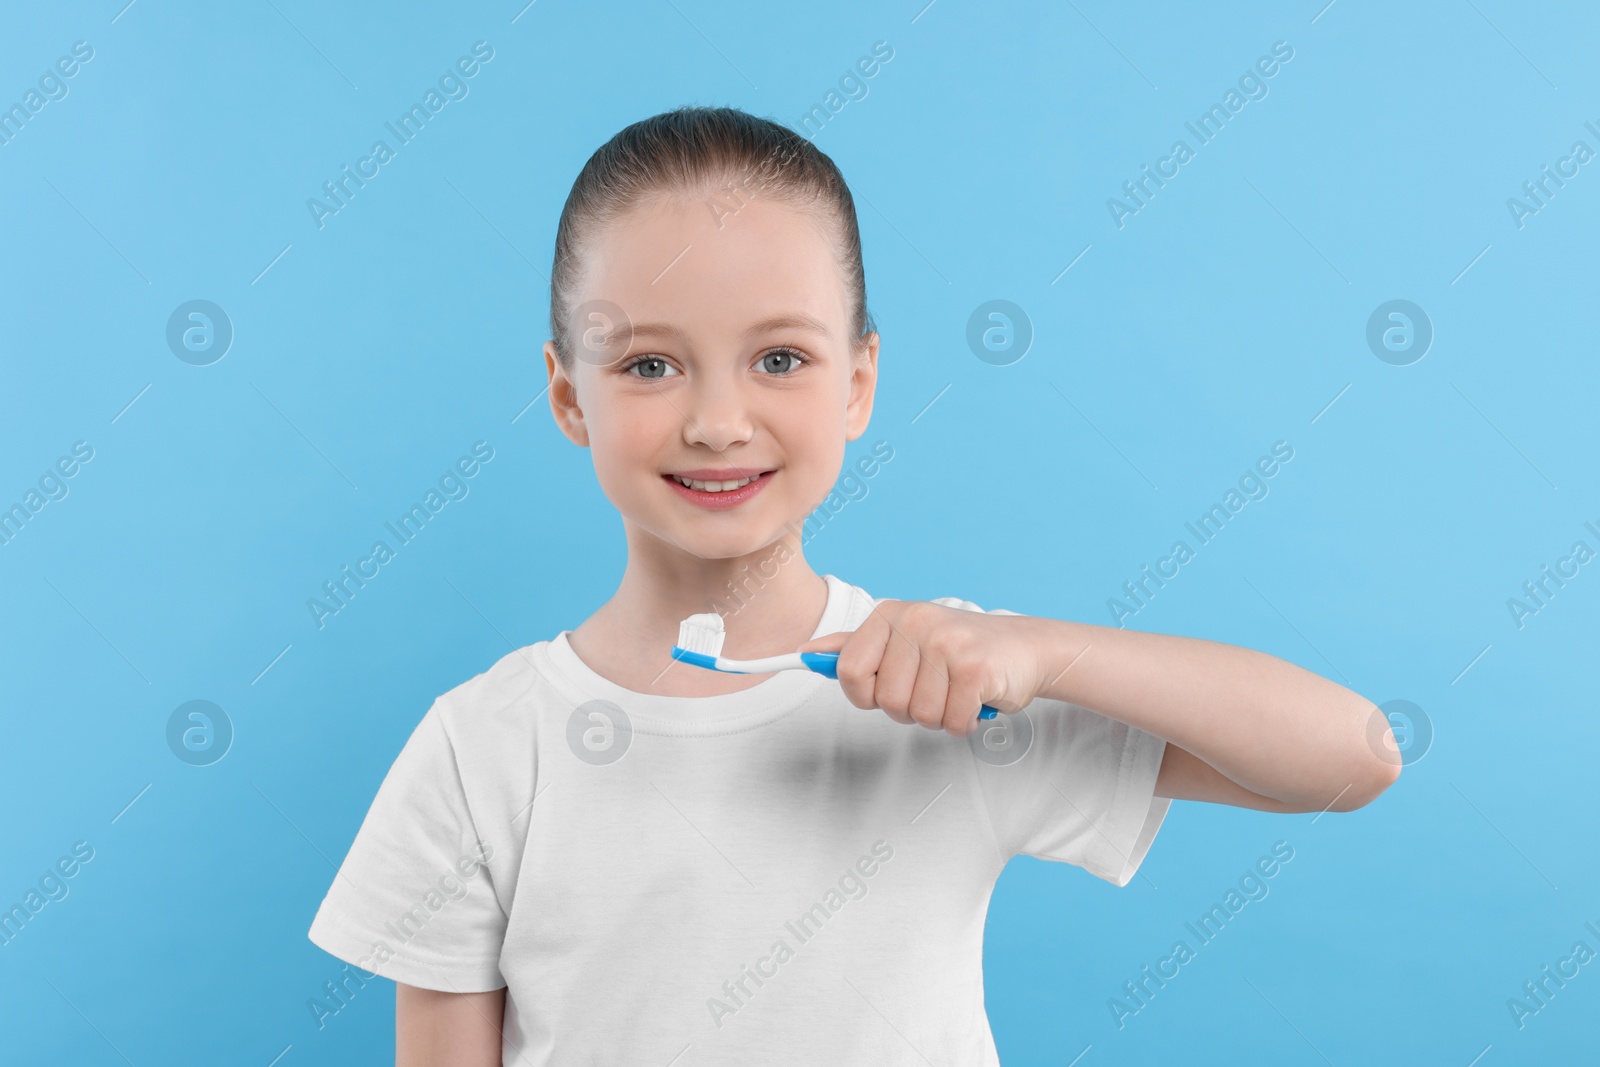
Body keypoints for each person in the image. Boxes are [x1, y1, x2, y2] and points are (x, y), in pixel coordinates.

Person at [306, 105, 1400, 1066]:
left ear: (860, 383)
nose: (718, 420)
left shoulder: (959, 685)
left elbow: (1352, 755)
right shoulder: (481, 746)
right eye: (649, 362)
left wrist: (1037, 649)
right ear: (567, 395)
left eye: (779, 358)